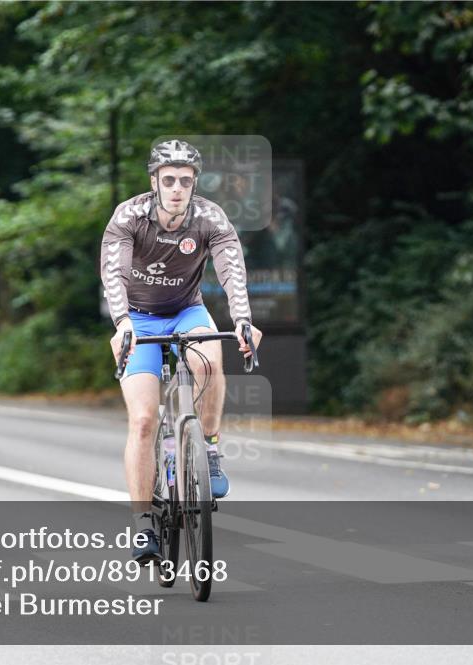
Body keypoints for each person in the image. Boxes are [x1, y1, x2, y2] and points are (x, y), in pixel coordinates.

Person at [100, 139, 262, 562]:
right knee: (143, 421)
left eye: (185, 181)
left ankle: (209, 448)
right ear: (154, 181)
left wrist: (243, 320)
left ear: (195, 184)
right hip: (139, 319)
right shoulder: (129, 216)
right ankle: (142, 524)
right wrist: (122, 323)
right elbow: (115, 275)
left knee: (209, 361)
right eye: (169, 180)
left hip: (187, 311)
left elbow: (232, 271)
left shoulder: (210, 218)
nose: (177, 189)